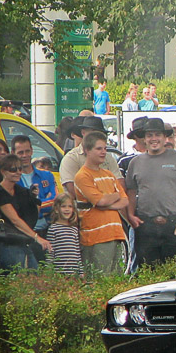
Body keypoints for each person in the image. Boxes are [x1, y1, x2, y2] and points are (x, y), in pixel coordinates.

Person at [125, 117, 176, 266]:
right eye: (149, 135)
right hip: (145, 225)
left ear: (165, 137)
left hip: (173, 224)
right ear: (144, 139)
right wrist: (130, 215)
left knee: (174, 273)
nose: (154, 139)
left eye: (157, 135)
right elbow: (131, 192)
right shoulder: (135, 163)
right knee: (147, 274)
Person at [73, 130, 128, 275]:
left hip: (116, 233)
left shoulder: (109, 174)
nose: (103, 152)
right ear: (87, 150)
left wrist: (108, 202)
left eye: (104, 148)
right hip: (96, 236)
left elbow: (124, 201)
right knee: (100, 280)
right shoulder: (82, 176)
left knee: (116, 279)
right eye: (99, 149)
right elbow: (100, 200)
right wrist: (112, 198)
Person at [0, 154, 51, 269]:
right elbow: (15, 220)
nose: (18, 172)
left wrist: (34, 198)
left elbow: (33, 217)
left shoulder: (21, 191)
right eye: (13, 169)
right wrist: (37, 238)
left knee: (34, 278)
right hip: (8, 242)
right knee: (16, 279)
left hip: (23, 240)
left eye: (20, 168)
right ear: (3, 171)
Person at [59, 116, 124, 199]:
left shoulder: (108, 157)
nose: (96, 137)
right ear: (83, 132)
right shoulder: (71, 158)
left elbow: (120, 184)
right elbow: (73, 190)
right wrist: (102, 200)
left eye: (100, 134)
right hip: (84, 210)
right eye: (93, 133)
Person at [11, 134, 58, 235]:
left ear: (32, 151)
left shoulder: (47, 175)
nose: (25, 155)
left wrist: (32, 206)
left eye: (27, 151)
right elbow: (18, 209)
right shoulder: (12, 180)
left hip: (47, 231)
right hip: (22, 233)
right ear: (13, 153)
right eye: (20, 152)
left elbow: (55, 201)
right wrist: (44, 204)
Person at [46, 193, 83, 276]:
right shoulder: (53, 229)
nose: (67, 209)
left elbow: (77, 253)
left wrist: (81, 272)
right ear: (56, 209)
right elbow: (50, 252)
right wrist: (48, 271)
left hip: (74, 272)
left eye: (70, 206)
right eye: (63, 206)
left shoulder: (74, 229)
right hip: (59, 272)